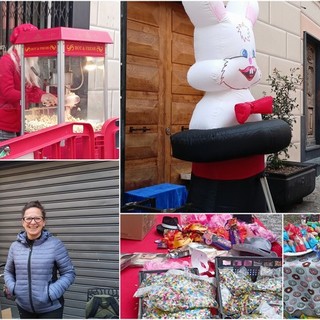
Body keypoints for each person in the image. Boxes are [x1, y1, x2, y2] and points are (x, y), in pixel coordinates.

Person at [4, 200, 76, 319]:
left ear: (43, 222)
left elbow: (69, 273)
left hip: (50, 309)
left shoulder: (55, 244)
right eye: (28, 218)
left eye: (37, 218)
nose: (33, 222)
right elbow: (8, 271)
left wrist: (51, 292)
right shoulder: (15, 247)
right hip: (23, 307)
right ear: (23, 222)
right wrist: (13, 288)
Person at [0, 24, 57, 141]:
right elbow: (8, 92)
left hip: (18, 121)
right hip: (4, 124)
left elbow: (29, 88)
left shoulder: (24, 63)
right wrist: (32, 96)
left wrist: (44, 95)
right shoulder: (6, 61)